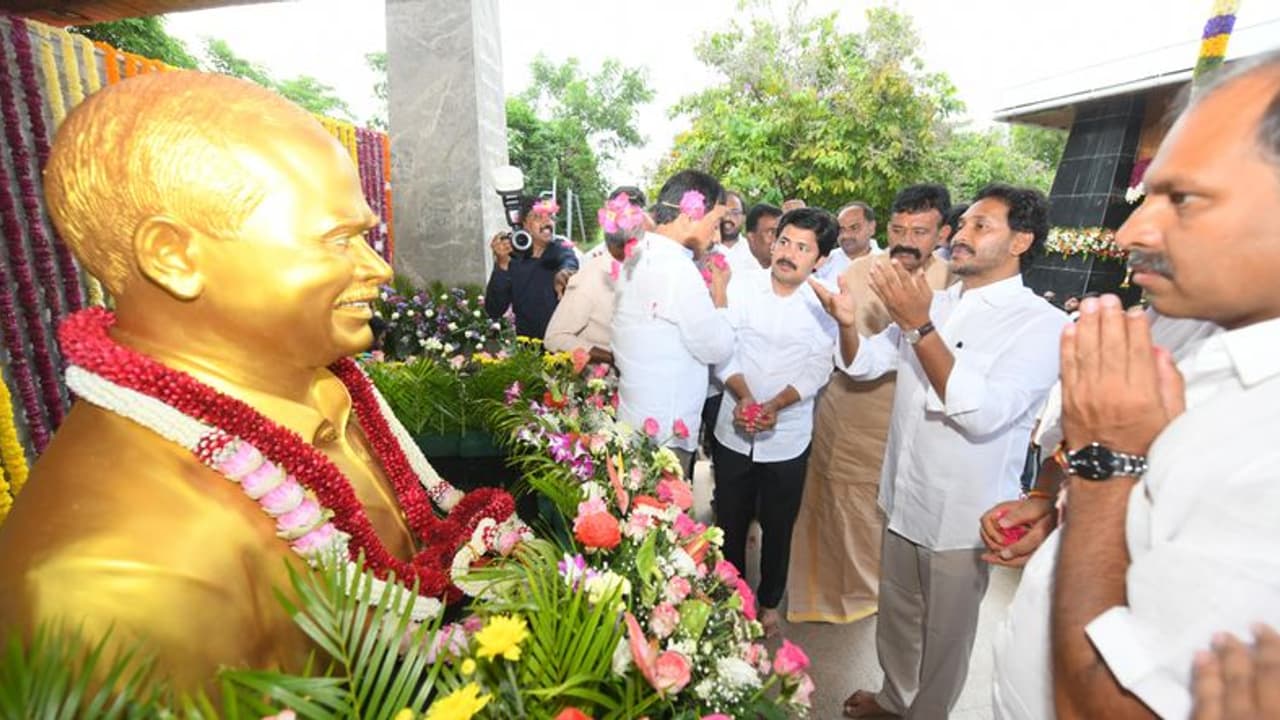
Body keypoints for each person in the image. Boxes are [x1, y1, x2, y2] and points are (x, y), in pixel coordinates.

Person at [0, 71, 521, 691]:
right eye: (338, 241)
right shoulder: (117, 578)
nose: (378, 269)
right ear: (174, 257)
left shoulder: (332, 387)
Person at [991, 53, 1280, 720]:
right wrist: (1062, 506)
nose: (1131, 233)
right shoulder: (1186, 327)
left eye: (1182, 199)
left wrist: (1103, 470)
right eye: (1146, 195)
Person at [812, 183, 1069, 719]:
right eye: (965, 224)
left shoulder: (1043, 324)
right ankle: (893, 699)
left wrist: (921, 326)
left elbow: (982, 414)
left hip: (965, 514)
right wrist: (845, 325)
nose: (963, 235)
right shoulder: (938, 302)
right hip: (905, 495)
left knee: (946, 636)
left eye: (983, 226)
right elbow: (864, 366)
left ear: (1022, 240)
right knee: (898, 616)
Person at [787, 185, 954, 626]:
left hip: (908, 419)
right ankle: (819, 594)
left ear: (942, 233)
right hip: (846, 411)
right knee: (829, 507)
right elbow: (858, 358)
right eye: (900, 228)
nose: (906, 240)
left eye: (920, 231)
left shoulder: (954, 285)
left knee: (877, 518)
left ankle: (872, 597)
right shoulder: (858, 272)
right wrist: (845, 325)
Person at [712, 208, 840, 637]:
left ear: (819, 259)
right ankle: (731, 596)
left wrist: (775, 406)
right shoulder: (743, 286)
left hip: (787, 437)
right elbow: (723, 346)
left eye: (803, 248)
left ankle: (768, 603)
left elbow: (818, 366)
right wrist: (745, 396)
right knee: (729, 522)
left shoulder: (826, 303)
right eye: (784, 241)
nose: (788, 253)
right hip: (734, 430)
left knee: (777, 527)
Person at [611, 170, 733, 477]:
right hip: (665, 433)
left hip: (634, 416)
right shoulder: (678, 269)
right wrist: (720, 294)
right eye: (715, 224)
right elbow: (716, 347)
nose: (716, 237)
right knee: (663, 518)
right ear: (688, 216)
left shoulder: (637, 254)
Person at [543, 187, 649, 360]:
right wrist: (612, 358)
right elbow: (555, 338)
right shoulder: (591, 275)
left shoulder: (653, 266)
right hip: (604, 381)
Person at [483, 194, 580, 339]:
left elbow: (569, 263)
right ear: (523, 224)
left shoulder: (561, 249)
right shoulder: (511, 258)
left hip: (562, 347)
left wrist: (566, 274)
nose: (547, 222)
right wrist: (502, 264)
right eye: (538, 217)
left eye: (550, 217)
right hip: (528, 350)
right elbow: (494, 309)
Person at [815, 201, 879, 281]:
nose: (846, 235)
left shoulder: (887, 264)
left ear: (872, 228)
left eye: (854, 228)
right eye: (841, 229)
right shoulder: (824, 262)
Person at [744, 202, 782, 270]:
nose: (778, 239)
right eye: (771, 232)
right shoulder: (734, 271)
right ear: (751, 238)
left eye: (781, 232)